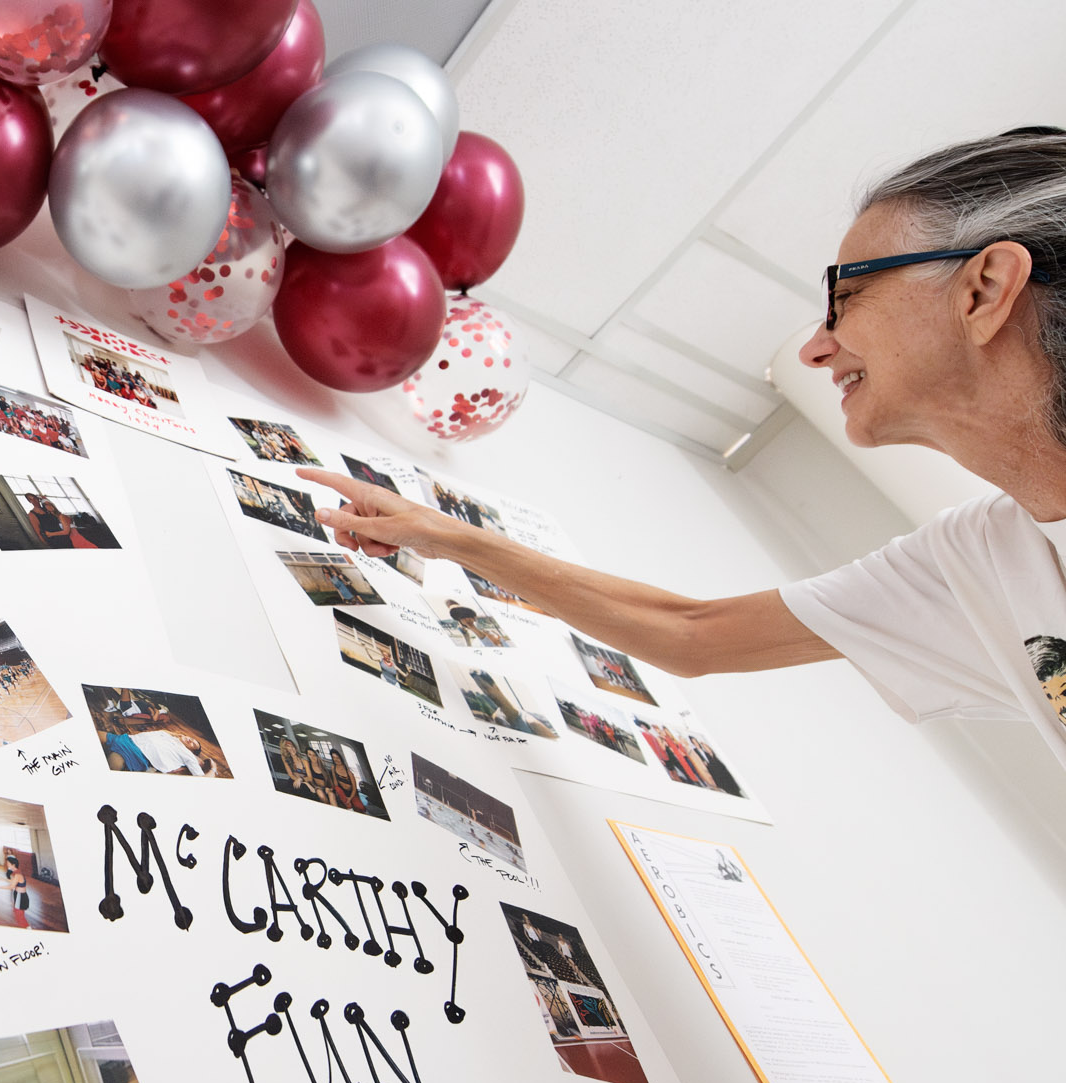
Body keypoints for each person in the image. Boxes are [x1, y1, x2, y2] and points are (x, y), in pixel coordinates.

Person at [297, 127, 1066, 774]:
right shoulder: (982, 560)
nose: (816, 349)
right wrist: (438, 533)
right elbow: (693, 634)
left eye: (845, 295)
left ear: (984, 287)